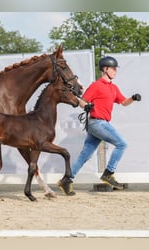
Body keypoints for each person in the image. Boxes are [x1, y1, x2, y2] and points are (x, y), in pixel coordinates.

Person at [57, 56, 141, 195]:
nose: (115, 71)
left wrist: (133, 98)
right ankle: (108, 173)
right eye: (113, 68)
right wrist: (87, 106)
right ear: (105, 69)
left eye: (115, 69)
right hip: (97, 122)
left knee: (85, 155)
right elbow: (82, 101)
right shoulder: (96, 86)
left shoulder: (114, 88)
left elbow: (124, 102)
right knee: (122, 144)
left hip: (99, 124)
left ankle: (66, 180)